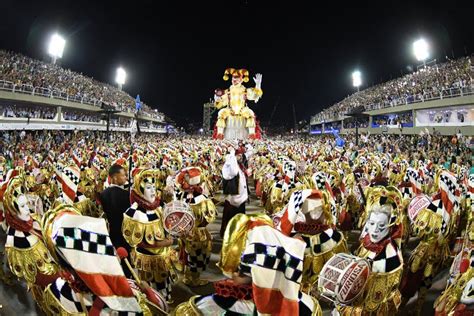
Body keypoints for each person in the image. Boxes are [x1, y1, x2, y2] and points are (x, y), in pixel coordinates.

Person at [99, 164, 132, 275]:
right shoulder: (127, 195)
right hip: (125, 234)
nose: (126, 178)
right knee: (128, 263)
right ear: (114, 178)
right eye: (123, 175)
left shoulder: (103, 194)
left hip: (112, 233)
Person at [220, 148, 248, 237]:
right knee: (231, 220)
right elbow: (234, 172)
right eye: (239, 155)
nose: (241, 157)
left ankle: (239, 233)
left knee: (240, 220)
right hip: (233, 199)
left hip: (240, 198)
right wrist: (232, 156)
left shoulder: (239, 165)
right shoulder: (230, 168)